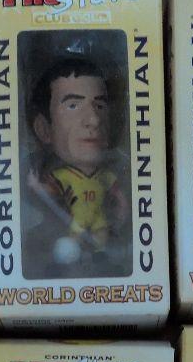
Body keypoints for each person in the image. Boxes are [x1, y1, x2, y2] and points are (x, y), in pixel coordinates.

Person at [27, 55, 127, 257]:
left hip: (101, 227)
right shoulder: (61, 177)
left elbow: (120, 199)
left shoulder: (111, 174)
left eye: (99, 106)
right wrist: (36, 187)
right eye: (73, 105)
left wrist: (123, 214)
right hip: (72, 230)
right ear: (44, 129)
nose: (94, 120)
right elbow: (48, 197)